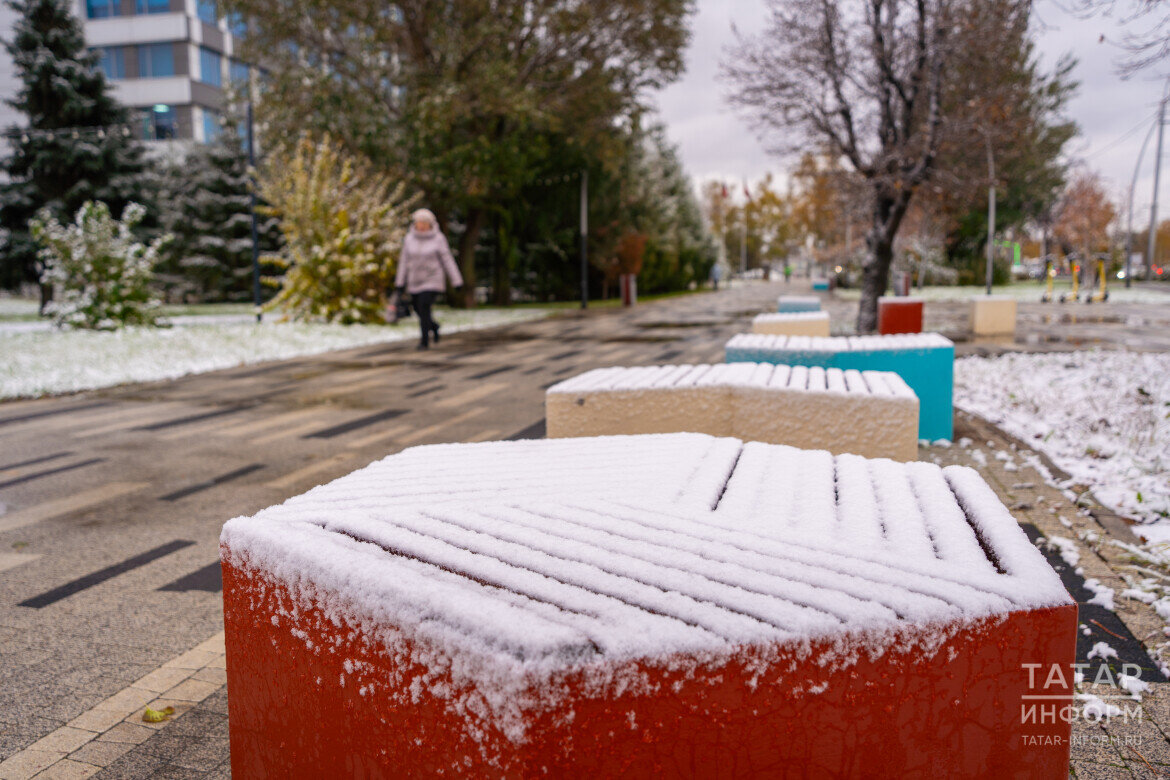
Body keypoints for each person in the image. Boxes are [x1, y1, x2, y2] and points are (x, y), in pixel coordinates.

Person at [395, 209, 464, 350]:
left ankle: (424, 341)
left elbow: (447, 260)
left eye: (424, 223)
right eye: (419, 222)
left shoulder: (438, 238)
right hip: (414, 280)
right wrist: (400, 282)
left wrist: (456, 281)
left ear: (430, 224)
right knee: (417, 308)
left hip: (433, 279)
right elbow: (403, 261)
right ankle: (434, 326)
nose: (421, 225)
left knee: (424, 306)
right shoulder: (409, 239)